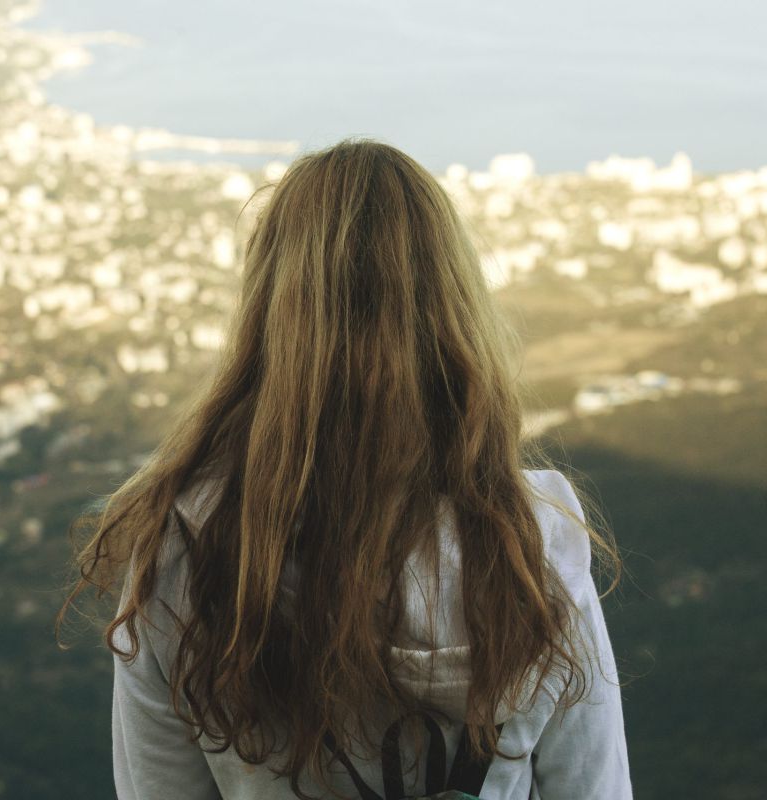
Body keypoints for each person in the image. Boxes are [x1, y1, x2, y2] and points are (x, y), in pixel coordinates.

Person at [57, 137, 632, 799]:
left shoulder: (188, 553)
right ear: (452, 310)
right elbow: (595, 788)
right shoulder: (534, 550)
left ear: (273, 314)